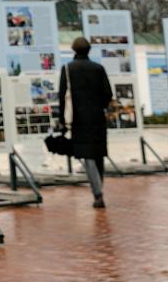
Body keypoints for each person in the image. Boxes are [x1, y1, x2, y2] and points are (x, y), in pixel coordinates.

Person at [57, 36, 113, 208]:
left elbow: (62, 96)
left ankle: (97, 193)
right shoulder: (98, 68)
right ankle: (98, 189)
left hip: (79, 119)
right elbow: (107, 94)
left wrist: (62, 120)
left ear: (74, 49)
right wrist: (99, 106)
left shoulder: (68, 69)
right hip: (97, 118)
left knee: (88, 156)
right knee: (98, 155)